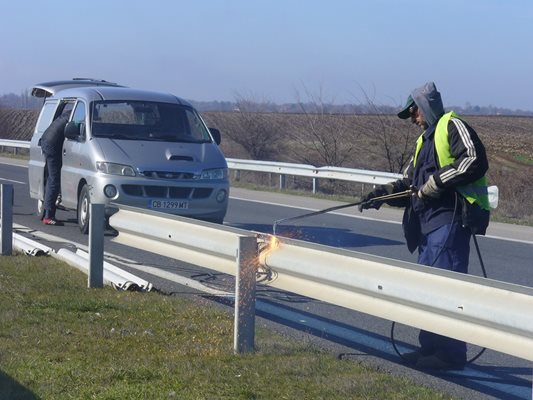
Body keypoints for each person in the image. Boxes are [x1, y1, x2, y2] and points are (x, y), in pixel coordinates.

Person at [359, 82, 490, 370]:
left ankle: (451, 354)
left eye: (414, 112)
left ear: (425, 106)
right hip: (427, 227)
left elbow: (474, 160)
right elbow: (409, 185)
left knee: (447, 290)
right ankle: (430, 348)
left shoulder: (452, 127)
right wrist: (380, 195)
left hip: (450, 221)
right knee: (426, 291)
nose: (412, 119)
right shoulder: (423, 141)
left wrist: (437, 182)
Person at [40, 111, 69, 226]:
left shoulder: (69, 113)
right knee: (54, 181)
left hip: (46, 140)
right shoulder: (79, 115)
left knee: (50, 179)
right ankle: (48, 216)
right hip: (52, 145)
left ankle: (45, 213)